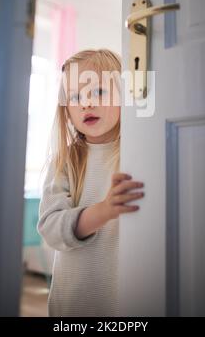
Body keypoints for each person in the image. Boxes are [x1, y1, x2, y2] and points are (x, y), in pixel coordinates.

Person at [37, 48, 145, 317]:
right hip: (73, 304)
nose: (86, 103)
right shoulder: (64, 162)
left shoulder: (140, 153)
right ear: (67, 111)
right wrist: (103, 211)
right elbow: (50, 228)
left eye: (98, 92)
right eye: (75, 96)